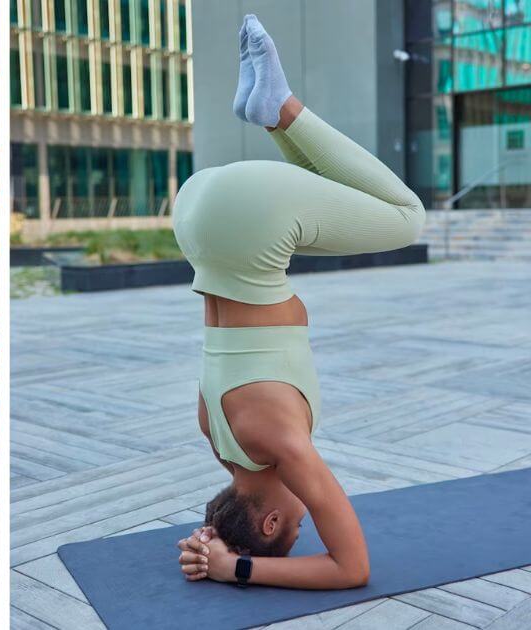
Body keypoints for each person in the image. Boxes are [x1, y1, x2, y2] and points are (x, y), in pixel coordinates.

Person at [172, 15, 424, 590]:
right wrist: (212, 534)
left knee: (408, 216)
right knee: (367, 203)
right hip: (194, 215)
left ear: (272, 520)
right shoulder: (218, 435)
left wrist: (235, 565)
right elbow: (233, 505)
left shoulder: (277, 445)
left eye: (297, 522)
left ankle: (281, 108)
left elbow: (352, 568)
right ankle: (272, 111)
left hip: (245, 219)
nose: (308, 508)